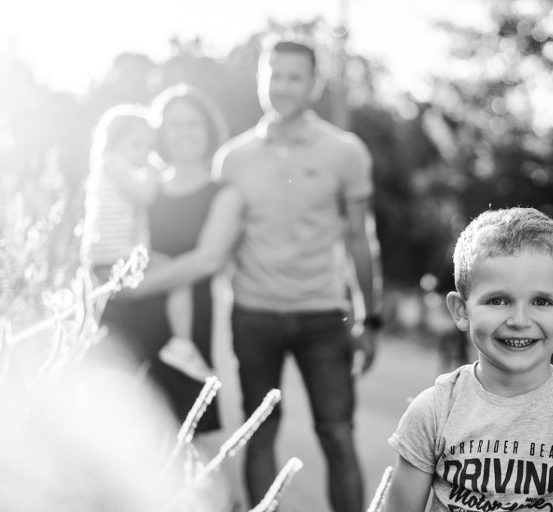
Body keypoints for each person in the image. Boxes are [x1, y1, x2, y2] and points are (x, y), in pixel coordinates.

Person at [213, 36, 383, 511]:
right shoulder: (233, 158)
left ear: (313, 84)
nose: (282, 86)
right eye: (274, 75)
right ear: (261, 78)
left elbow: (360, 241)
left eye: (294, 77)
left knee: (337, 435)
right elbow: (216, 245)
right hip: (253, 314)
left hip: (323, 316)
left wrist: (372, 318)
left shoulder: (345, 151)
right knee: (258, 433)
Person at [385, 207, 553, 512]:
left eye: (541, 301)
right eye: (498, 300)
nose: (520, 320)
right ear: (461, 311)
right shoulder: (433, 412)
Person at [94, 84, 243, 435]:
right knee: (110, 427)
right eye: (175, 124)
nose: (185, 132)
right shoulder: (144, 185)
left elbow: (207, 260)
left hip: (185, 330)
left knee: (186, 432)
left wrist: (136, 286)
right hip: (127, 317)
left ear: (209, 130)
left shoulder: (225, 193)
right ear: (158, 133)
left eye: (193, 123)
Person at [81, 103, 211, 382]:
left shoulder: (115, 166)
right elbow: (145, 194)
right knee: (177, 275)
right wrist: (152, 169)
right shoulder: (113, 163)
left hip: (112, 254)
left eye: (148, 147)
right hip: (116, 253)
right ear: (115, 142)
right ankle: (182, 343)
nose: (144, 154)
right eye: (137, 145)